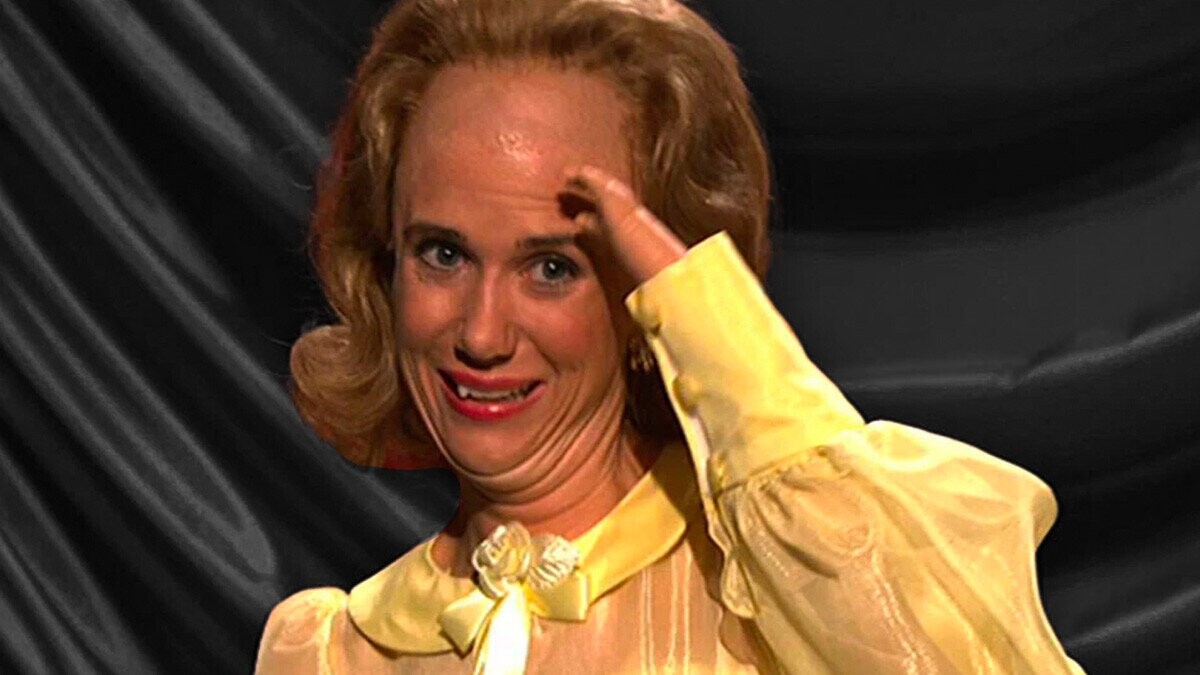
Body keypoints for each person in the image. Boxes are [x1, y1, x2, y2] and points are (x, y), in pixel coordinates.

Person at [256, 0, 1085, 672]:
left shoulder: (787, 589)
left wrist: (697, 309)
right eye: (443, 254)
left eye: (553, 267)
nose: (481, 331)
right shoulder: (332, 652)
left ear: (647, 292)